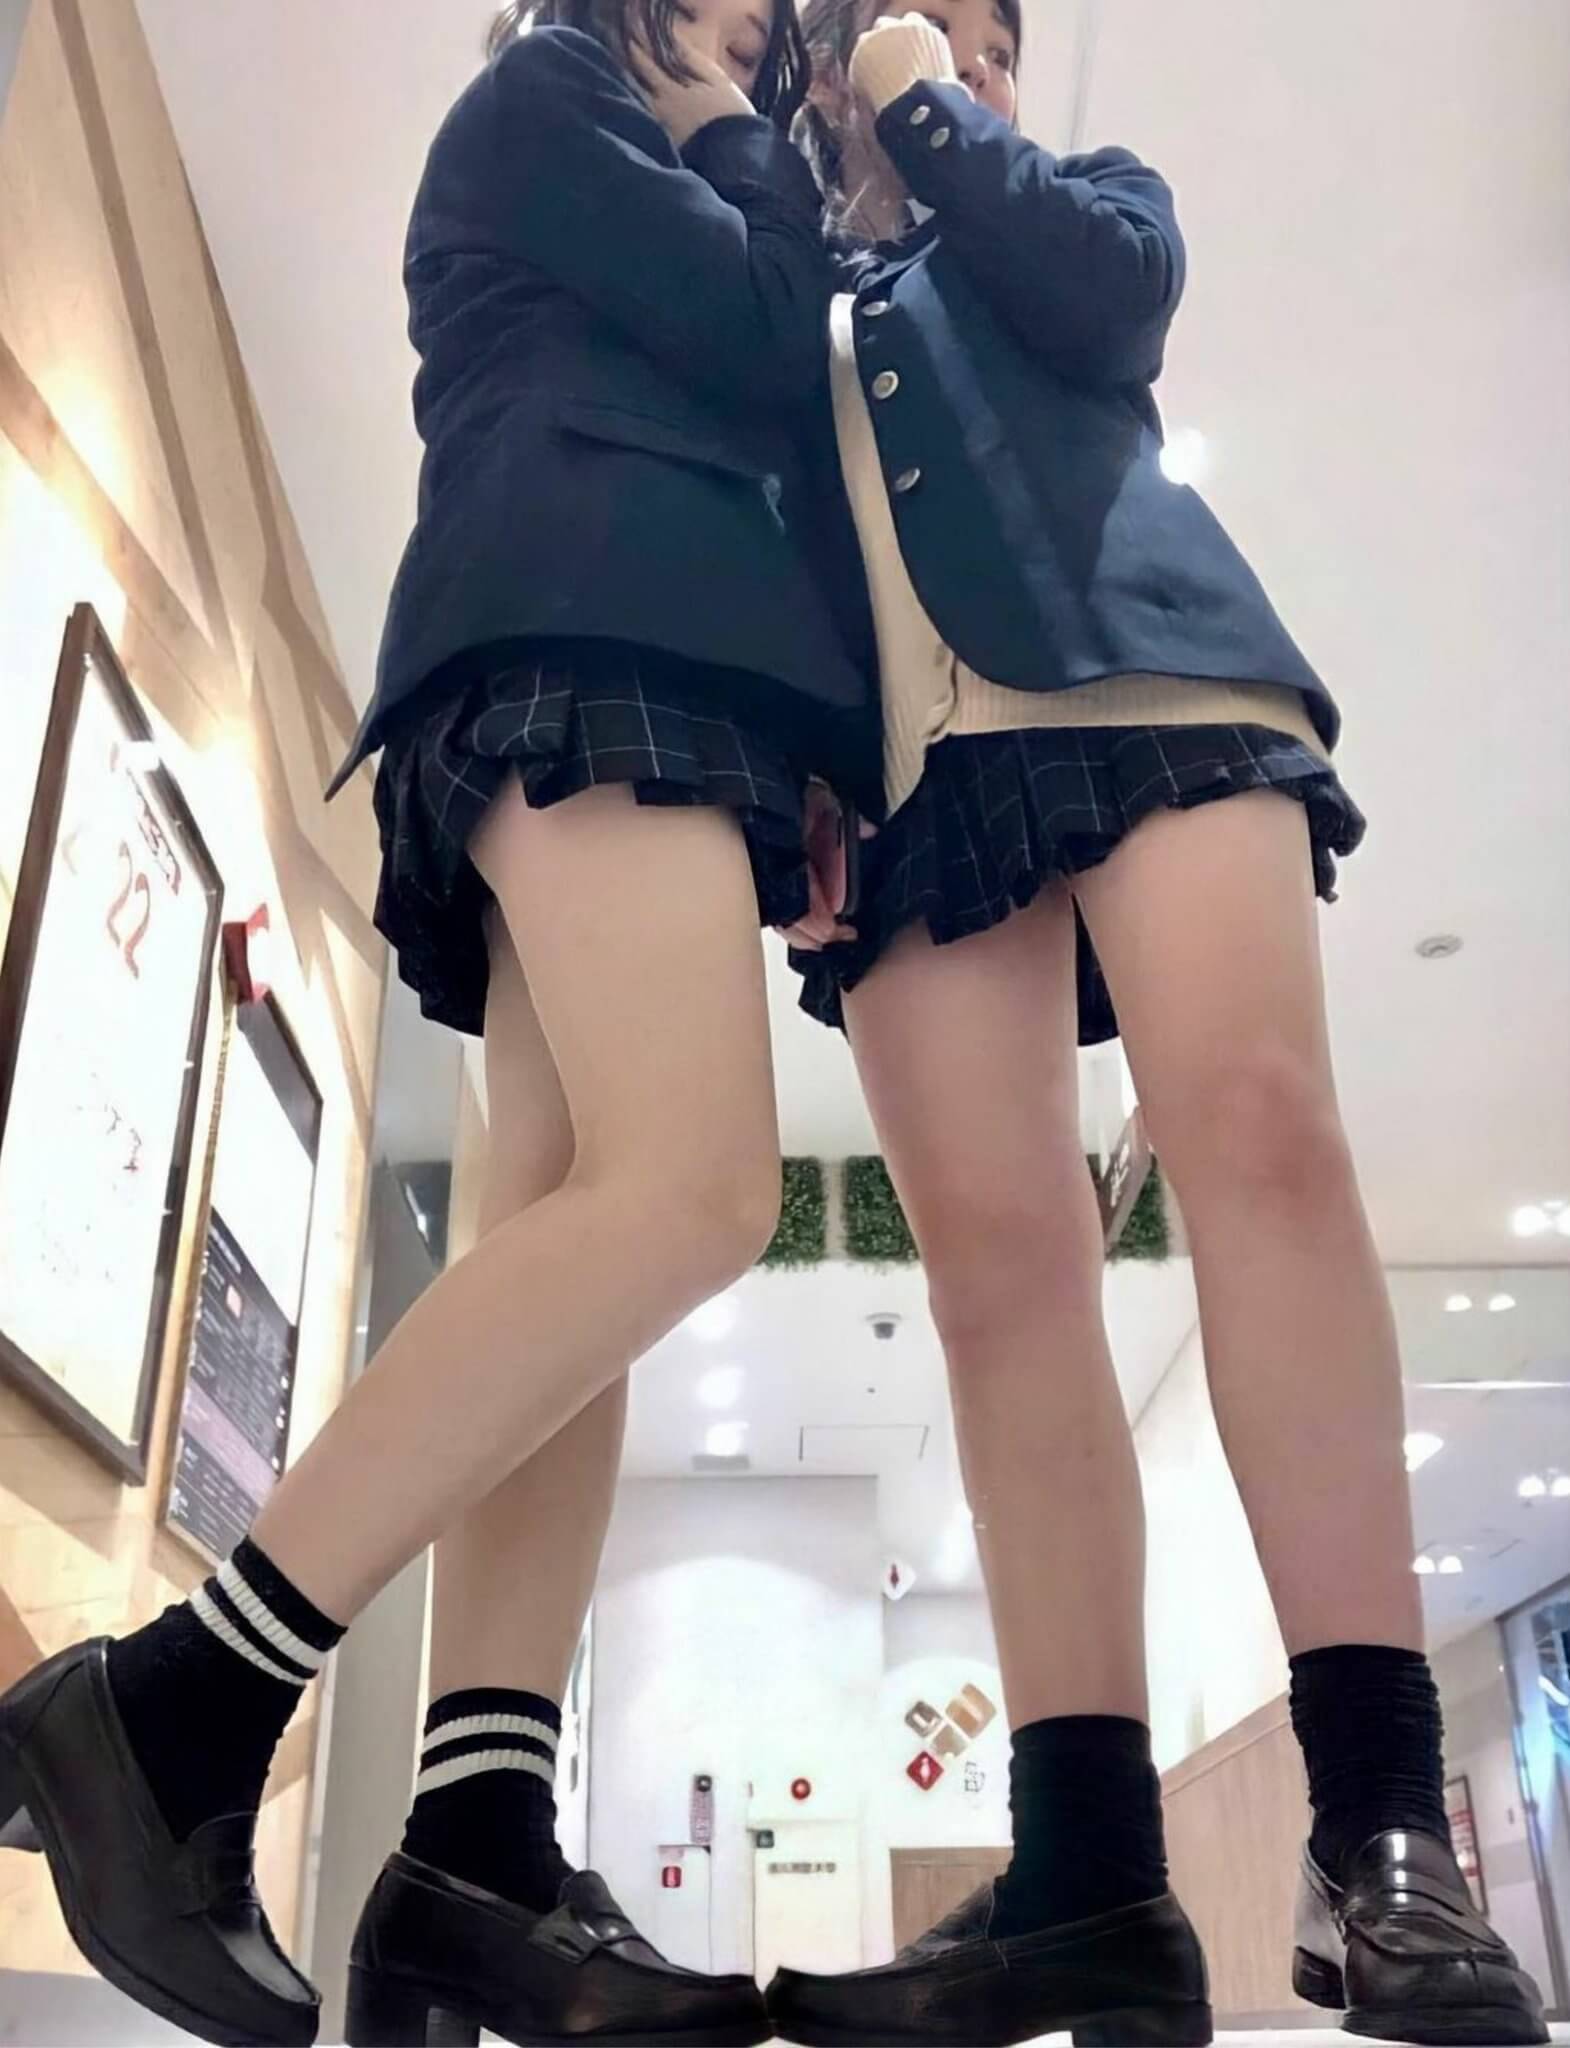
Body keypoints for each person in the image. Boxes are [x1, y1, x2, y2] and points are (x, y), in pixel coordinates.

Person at [0, 6, 879, 2045]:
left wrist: (816, 749)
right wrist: (739, 140)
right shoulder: (552, 93)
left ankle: (477, 1833)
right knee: (699, 1191)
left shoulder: (614, 135)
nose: (759, 24)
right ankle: (175, 1700)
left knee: (574, 1243)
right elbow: (771, 343)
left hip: (618, 656)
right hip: (582, 637)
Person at [766, 7, 1552, 2047]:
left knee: (1260, 1132)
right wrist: (777, 783)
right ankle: (1091, 1880)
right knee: (994, 1280)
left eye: (988, 39)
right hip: (900, 772)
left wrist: (925, 101)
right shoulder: (772, 275)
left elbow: (1107, 301)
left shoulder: (1076, 200)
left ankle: (1381, 1828)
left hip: (1149, 675)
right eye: (925, 24)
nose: (967, 60)